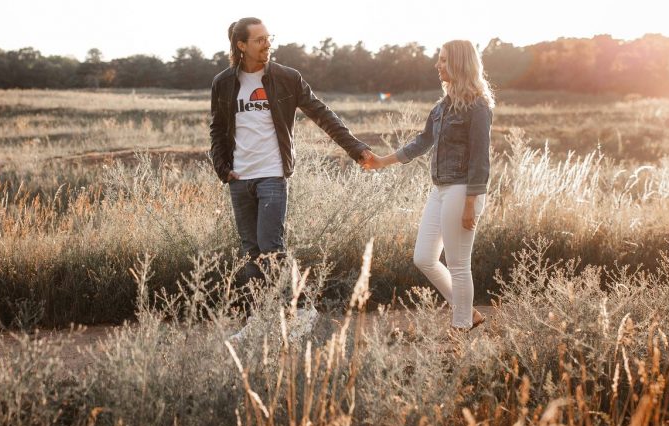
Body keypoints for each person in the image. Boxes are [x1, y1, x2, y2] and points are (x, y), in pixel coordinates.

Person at [209, 17, 373, 302]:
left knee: (271, 249)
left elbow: (322, 114)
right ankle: (257, 323)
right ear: (241, 45)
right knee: (251, 254)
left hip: (272, 174)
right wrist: (223, 169)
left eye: (268, 37)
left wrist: (356, 149)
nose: (267, 44)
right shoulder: (223, 83)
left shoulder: (287, 78)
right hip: (240, 179)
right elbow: (217, 129)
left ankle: (301, 313)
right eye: (259, 40)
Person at [362, 39, 494, 331]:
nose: (438, 65)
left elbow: (480, 160)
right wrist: (382, 161)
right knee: (423, 257)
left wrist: (471, 203)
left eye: (444, 60)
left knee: (459, 264)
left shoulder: (478, 107)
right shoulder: (441, 107)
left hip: (463, 190)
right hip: (440, 189)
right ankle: (467, 312)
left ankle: (461, 327)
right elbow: (422, 142)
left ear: (459, 63)